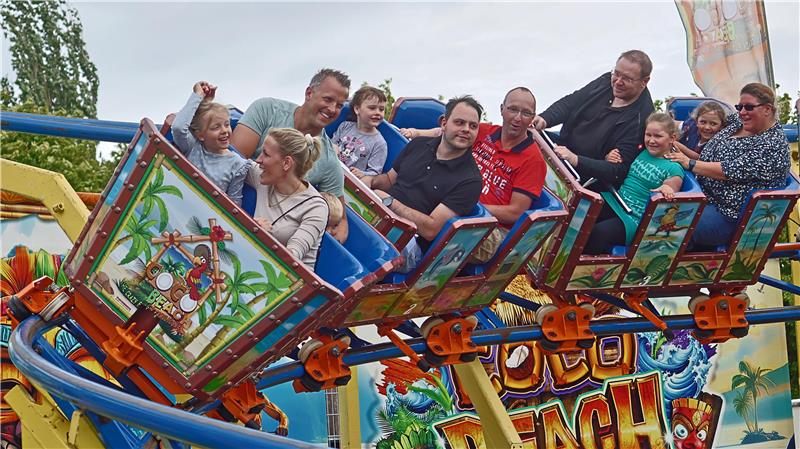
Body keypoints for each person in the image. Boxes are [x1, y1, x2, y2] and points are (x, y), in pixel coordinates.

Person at [400, 87, 547, 261]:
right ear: (502, 109)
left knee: (442, 226)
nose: (517, 118)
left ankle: (408, 263)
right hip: (452, 201)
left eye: (526, 113)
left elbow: (515, 212)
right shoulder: (483, 131)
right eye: (513, 109)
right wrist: (415, 133)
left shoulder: (533, 160)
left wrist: (463, 204)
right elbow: (444, 133)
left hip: (489, 227)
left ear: (532, 117)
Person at [355, 96, 484, 272]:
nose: (466, 130)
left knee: (361, 238)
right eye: (459, 122)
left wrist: (390, 203)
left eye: (473, 126)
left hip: (408, 243)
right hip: (380, 215)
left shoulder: (470, 180)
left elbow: (431, 229)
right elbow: (390, 180)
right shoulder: (418, 145)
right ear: (444, 123)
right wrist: (370, 180)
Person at [231, 68, 351, 242]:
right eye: (328, 99)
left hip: (273, 233)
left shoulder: (328, 161)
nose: (332, 109)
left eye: (339, 105)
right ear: (309, 93)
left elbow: (341, 223)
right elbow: (232, 161)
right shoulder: (267, 110)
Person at [666, 83, 790, 247]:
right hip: (699, 192)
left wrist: (689, 163)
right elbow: (703, 120)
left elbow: (729, 170)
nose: (742, 112)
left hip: (728, 214)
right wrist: (662, 127)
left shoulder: (773, 145)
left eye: (749, 107)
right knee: (645, 206)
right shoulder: (737, 121)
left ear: (767, 109)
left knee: (665, 229)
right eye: (739, 107)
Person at [532, 50, 655, 187]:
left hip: (584, 176)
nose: (618, 82)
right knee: (525, 133)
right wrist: (545, 119)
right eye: (617, 73)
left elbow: (618, 171)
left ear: (644, 81)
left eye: (627, 79)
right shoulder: (606, 81)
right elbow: (572, 102)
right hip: (562, 145)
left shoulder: (642, 119)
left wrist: (575, 159)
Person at [584, 113, 684, 255]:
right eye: (648, 135)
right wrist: (609, 156)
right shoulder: (642, 152)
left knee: (598, 233)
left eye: (658, 136)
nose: (651, 140)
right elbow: (620, 162)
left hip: (635, 218)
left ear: (672, 138)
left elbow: (671, 186)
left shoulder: (673, 166)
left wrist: (667, 188)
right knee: (582, 212)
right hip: (617, 202)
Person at [246, 128, 328, 268]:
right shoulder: (262, 176)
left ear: (286, 163)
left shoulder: (315, 207)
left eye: (266, 154)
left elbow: (292, 257)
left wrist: (262, 236)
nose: (258, 160)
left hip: (289, 283)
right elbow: (227, 159)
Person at [171, 81, 249, 206]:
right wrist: (198, 96)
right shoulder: (193, 147)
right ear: (200, 135)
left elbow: (234, 204)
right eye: (216, 127)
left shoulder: (238, 164)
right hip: (179, 206)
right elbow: (178, 128)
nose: (224, 131)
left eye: (227, 124)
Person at [332, 85, 388, 175]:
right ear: (357, 109)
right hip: (331, 168)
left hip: (349, 180)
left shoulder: (379, 143)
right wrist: (333, 147)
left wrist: (363, 174)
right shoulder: (345, 126)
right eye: (372, 108)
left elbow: (375, 172)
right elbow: (331, 144)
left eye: (381, 109)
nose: (378, 112)